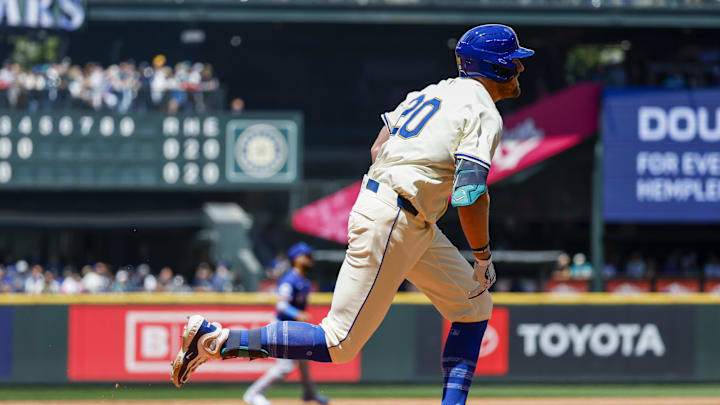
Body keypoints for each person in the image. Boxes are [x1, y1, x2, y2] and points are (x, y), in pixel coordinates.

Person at [172, 24, 533, 405]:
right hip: (397, 217)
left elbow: (379, 147)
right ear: (497, 67)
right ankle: (218, 340)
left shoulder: (435, 91)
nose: (521, 70)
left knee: (474, 306)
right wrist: (481, 256)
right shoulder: (483, 110)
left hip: (399, 213)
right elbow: (471, 193)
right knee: (339, 342)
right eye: (515, 62)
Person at [243, 243, 329, 405]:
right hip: (282, 326)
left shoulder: (303, 280)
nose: (310, 259)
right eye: (306, 255)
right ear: (296, 259)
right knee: (285, 367)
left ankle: (309, 393)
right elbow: (281, 305)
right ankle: (253, 394)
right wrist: (296, 313)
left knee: (304, 360)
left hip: (294, 327)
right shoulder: (290, 278)